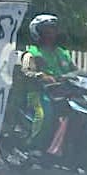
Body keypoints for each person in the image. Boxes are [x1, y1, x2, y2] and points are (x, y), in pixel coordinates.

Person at [20, 14, 76, 152]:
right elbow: (26, 71)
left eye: (53, 29)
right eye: (47, 30)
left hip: (62, 93)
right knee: (44, 115)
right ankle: (33, 145)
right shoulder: (31, 52)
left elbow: (75, 71)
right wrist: (42, 75)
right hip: (39, 92)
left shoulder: (62, 53)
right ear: (37, 32)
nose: (51, 33)